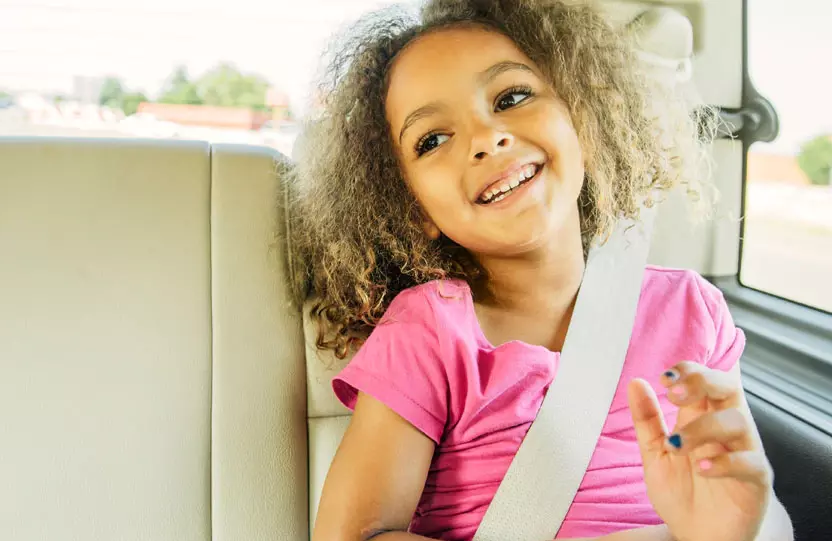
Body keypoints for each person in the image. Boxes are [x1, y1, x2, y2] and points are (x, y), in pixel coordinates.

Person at [286, 0, 795, 540]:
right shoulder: (429, 332)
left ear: (584, 122)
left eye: (512, 97)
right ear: (414, 208)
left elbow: (749, 500)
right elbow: (354, 535)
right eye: (433, 139)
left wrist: (732, 529)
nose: (486, 138)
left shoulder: (693, 311)